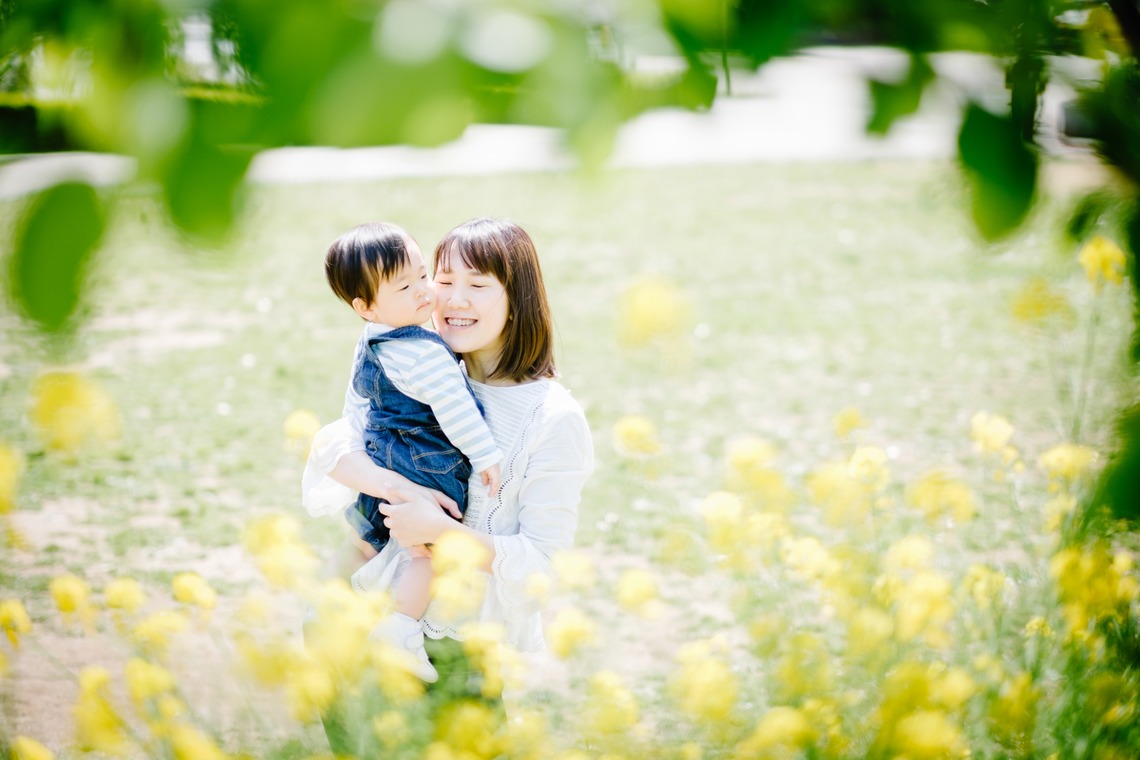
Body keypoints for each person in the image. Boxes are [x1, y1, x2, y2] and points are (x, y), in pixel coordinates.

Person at [302, 217, 594, 752]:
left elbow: (544, 565)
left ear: (518, 297)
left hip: (447, 652)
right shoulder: (419, 360)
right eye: (444, 279)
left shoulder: (552, 417)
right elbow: (333, 444)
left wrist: (441, 533)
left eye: (478, 285)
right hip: (353, 609)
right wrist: (396, 488)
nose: (454, 298)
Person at [321, 221, 503, 682]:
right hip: (425, 466)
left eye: (425, 276)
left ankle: (340, 597)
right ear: (365, 306)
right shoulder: (422, 353)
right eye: (406, 285)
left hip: (382, 459)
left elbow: (356, 407)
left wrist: (363, 450)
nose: (425, 292)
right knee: (426, 552)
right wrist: (484, 456)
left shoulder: (373, 341)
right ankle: (401, 627)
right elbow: (457, 409)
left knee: (367, 539)